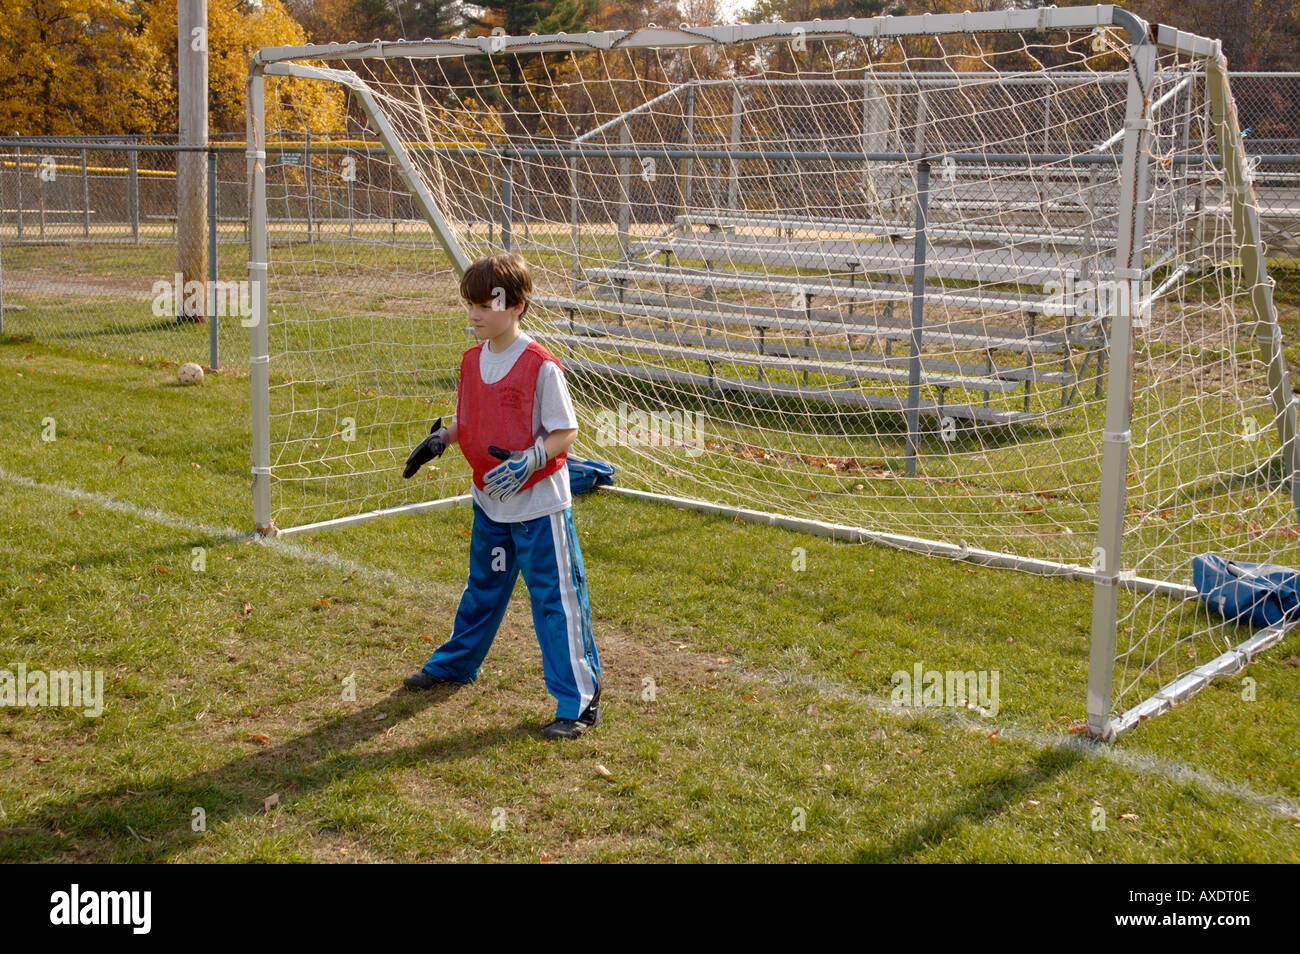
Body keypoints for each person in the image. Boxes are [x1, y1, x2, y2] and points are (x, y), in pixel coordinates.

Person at [401, 252, 602, 740]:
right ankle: (455, 665)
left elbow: (564, 432)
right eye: (469, 304)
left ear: (517, 305)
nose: (473, 314)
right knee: (483, 589)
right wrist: (443, 438)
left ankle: (578, 701)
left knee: (555, 601)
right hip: (491, 504)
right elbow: (471, 421)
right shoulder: (472, 360)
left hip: (539, 509)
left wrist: (529, 460)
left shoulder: (540, 367)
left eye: (485, 304)